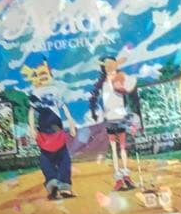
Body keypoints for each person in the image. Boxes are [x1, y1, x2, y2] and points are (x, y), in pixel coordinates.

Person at [24, 62, 77, 201]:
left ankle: (64, 187)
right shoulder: (35, 93)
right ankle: (53, 185)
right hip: (44, 132)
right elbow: (31, 111)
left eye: (45, 74)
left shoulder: (56, 90)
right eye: (40, 74)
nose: (43, 77)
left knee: (64, 159)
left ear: (50, 75)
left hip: (57, 130)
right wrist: (32, 128)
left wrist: (71, 124)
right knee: (46, 160)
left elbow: (64, 107)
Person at [88, 55, 138, 191]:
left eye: (111, 65)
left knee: (122, 147)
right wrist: (93, 111)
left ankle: (126, 175)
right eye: (106, 66)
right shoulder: (102, 82)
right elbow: (93, 98)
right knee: (115, 148)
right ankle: (119, 178)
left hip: (120, 116)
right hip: (110, 117)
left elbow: (130, 90)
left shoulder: (120, 77)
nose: (109, 68)